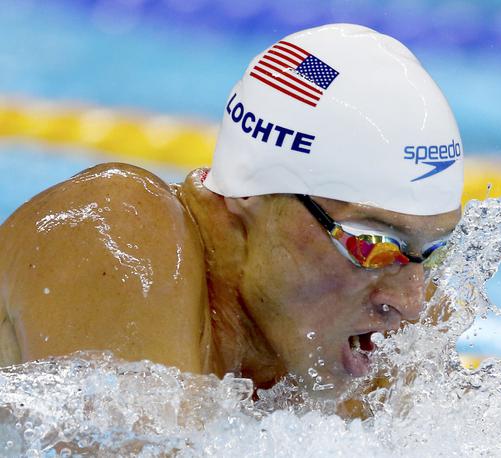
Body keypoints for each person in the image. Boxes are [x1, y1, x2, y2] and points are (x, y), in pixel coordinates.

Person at [0, 24, 463, 397]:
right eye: (372, 244)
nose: (411, 302)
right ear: (251, 195)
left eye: (432, 251)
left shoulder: (383, 323)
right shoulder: (114, 234)